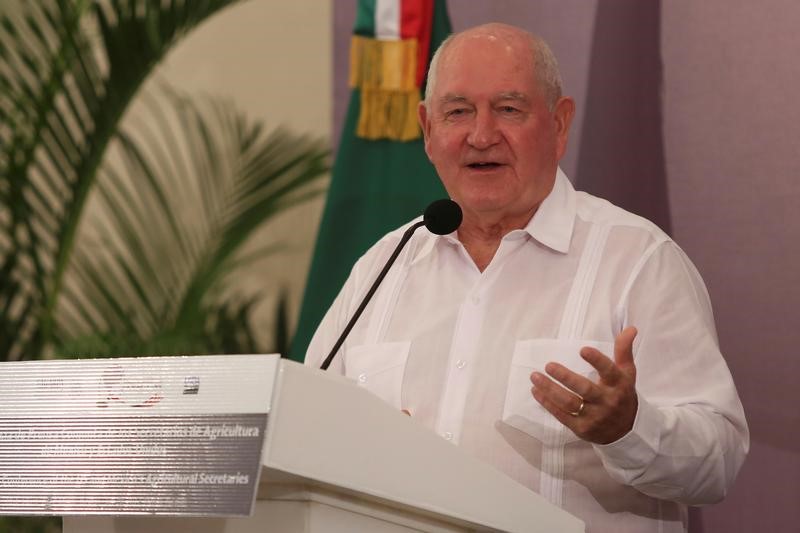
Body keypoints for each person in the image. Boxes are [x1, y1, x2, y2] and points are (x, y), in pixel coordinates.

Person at [305, 23, 748, 532]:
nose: (481, 134)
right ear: (428, 131)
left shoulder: (637, 260)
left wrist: (629, 429)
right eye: (458, 112)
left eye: (509, 109)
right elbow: (308, 421)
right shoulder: (384, 266)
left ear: (559, 125)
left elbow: (719, 461)